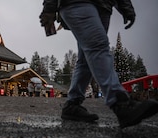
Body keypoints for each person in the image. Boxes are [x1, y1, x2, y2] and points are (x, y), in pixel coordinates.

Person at [40, 0, 158, 128]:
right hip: (77, 2)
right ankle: (120, 103)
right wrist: (49, 8)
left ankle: (72, 104)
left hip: (104, 6)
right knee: (98, 47)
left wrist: (125, 6)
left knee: (86, 58)